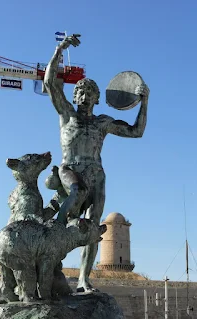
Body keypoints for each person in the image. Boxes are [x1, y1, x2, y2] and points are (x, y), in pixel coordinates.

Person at [44, 34, 149, 292]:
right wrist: (60, 49)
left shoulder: (103, 122)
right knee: (75, 195)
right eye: (80, 92)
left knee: (93, 226)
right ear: (76, 96)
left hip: (97, 175)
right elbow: (49, 82)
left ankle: (83, 279)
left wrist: (144, 102)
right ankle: (56, 233)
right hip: (70, 170)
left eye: (90, 93)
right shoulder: (66, 114)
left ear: (97, 98)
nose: (85, 96)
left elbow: (137, 132)